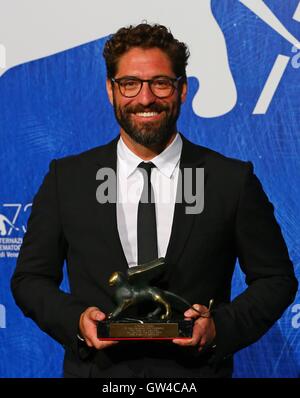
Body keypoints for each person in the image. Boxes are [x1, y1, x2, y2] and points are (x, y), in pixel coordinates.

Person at [11, 23, 298, 378]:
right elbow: (30, 278)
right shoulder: (67, 180)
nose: (145, 98)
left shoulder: (230, 180)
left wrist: (219, 328)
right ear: (110, 91)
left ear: (182, 91)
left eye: (160, 83)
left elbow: (275, 279)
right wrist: (76, 321)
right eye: (130, 84)